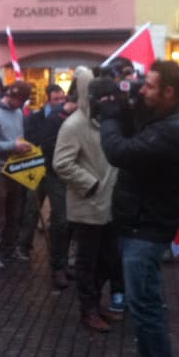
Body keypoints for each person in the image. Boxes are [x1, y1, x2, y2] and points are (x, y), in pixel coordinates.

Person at [99, 60, 179, 357]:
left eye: (149, 87)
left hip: (147, 227)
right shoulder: (163, 121)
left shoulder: (173, 129)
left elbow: (120, 152)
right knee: (144, 305)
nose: (141, 90)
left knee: (146, 308)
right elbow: (135, 133)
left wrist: (110, 117)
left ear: (168, 93)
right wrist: (124, 110)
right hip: (140, 222)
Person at [53, 66, 123, 332]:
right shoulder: (74, 125)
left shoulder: (107, 122)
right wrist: (91, 185)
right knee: (87, 260)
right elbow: (62, 163)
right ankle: (88, 308)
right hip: (88, 205)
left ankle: (95, 301)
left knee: (108, 260)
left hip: (110, 204)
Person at [21, 84, 72, 287]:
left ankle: (59, 258)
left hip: (55, 170)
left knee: (61, 215)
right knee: (31, 208)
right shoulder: (36, 117)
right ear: (47, 100)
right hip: (37, 168)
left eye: (62, 99)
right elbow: (31, 138)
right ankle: (24, 245)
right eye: (55, 100)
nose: (59, 103)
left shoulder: (66, 119)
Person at [0, 81, 33, 263]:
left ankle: (9, 247)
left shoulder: (18, 112)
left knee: (14, 212)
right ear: (12, 97)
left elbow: (18, 137)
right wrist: (12, 146)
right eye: (21, 101)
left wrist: (22, 147)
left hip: (15, 167)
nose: (21, 105)